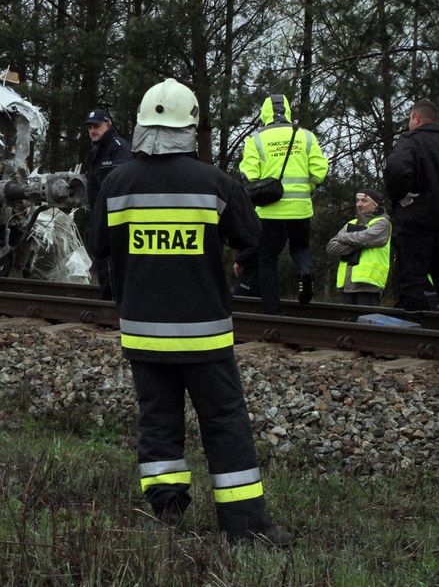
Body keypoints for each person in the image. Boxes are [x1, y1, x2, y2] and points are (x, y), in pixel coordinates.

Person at [87, 78, 292, 547]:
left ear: (141, 124)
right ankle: (245, 526)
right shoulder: (215, 183)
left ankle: (166, 515)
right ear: (192, 127)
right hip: (204, 334)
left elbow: (98, 244)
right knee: (224, 422)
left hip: (143, 332)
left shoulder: (116, 184)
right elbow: (251, 236)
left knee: (158, 421)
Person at [239, 93, 329, 314]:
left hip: (269, 211)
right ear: (287, 111)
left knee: (267, 259)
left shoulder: (255, 139)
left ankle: (272, 310)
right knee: (300, 248)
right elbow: (319, 172)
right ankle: (305, 271)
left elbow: (249, 175)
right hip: (300, 208)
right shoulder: (306, 136)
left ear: (264, 113)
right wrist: (309, 186)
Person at [383, 100, 439, 313]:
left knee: (411, 277)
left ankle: (413, 319)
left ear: (416, 118)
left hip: (415, 221)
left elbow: (396, 170)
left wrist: (401, 196)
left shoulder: (410, 142)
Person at [82, 107, 132, 294]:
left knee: (113, 267)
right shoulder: (97, 151)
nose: (92, 131)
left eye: (97, 126)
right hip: (100, 216)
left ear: (108, 125)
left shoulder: (119, 148)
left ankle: (113, 305)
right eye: (90, 127)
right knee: (103, 265)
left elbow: (121, 186)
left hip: (115, 219)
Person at [326, 188, 392, 306]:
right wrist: (360, 243)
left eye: (364, 201)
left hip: (368, 284)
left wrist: (344, 238)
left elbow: (364, 239)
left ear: (375, 204)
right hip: (346, 284)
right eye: (357, 200)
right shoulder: (351, 223)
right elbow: (331, 247)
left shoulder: (382, 223)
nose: (359, 204)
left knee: (366, 317)